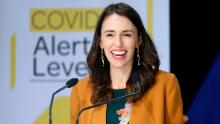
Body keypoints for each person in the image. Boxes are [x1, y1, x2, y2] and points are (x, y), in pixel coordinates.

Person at [70, 2, 184, 124]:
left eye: (127, 34)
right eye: (110, 35)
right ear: (100, 42)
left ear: (138, 40)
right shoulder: (81, 90)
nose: (118, 43)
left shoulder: (165, 84)